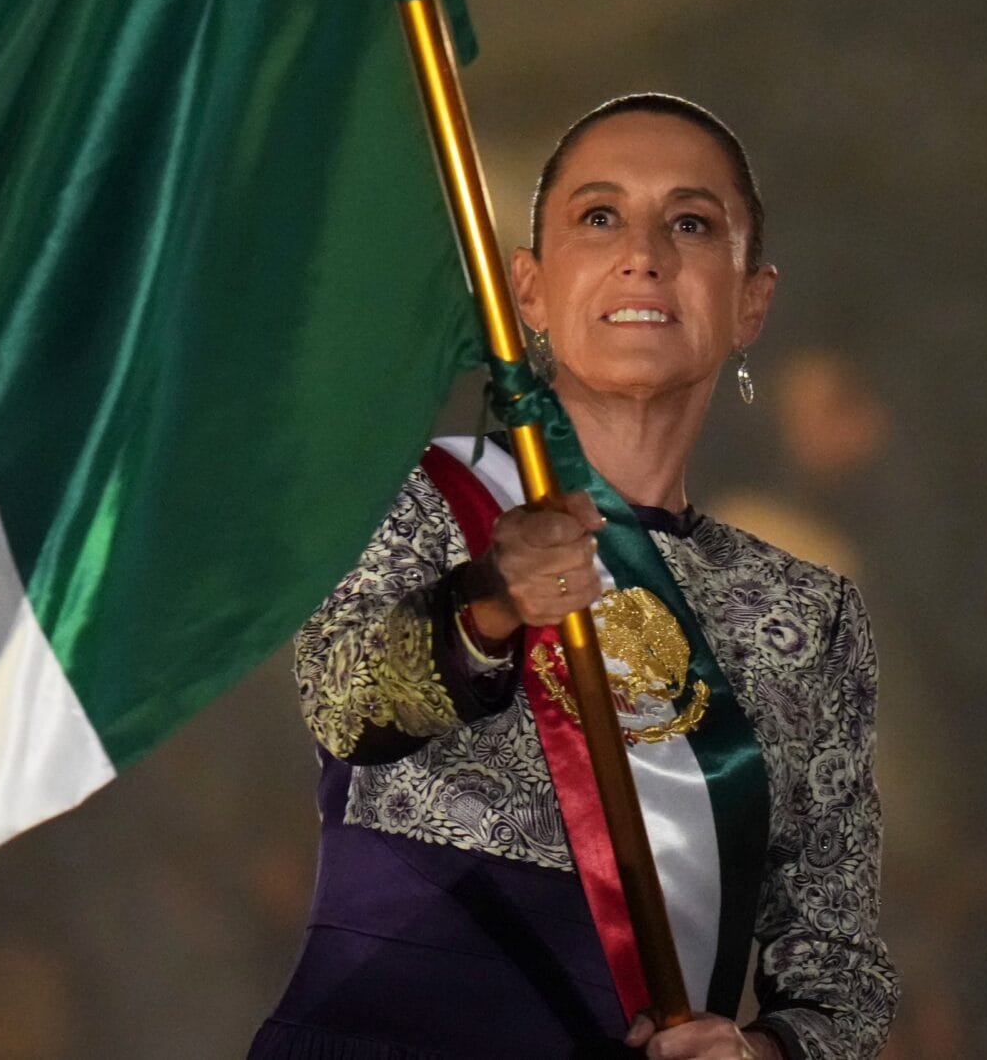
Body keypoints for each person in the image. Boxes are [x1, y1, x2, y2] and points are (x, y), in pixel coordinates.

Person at [250, 95, 898, 1060]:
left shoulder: (807, 612)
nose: (644, 254)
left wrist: (761, 1053)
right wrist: (491, 604)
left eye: (691, 223)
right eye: (600, 216)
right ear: (529, 288)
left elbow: (842, 973)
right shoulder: (412, 495)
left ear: (751, 303)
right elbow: (344, 702)